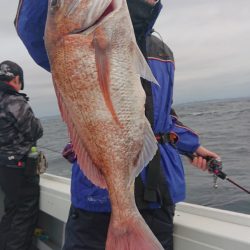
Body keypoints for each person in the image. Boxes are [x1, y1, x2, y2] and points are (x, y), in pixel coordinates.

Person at [15, 0, 219, 249]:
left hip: (159, 192)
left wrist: (191, 145)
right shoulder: (67, 38)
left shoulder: (160, 50)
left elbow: (162, 114)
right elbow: (33, 29)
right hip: (97, 197)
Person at [0, 60, 43, 250]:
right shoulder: (13, 100)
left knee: (12, 211)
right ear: (16, 79)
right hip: (19, 169)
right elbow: (34, 131)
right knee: (23, 215)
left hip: (4, 167)